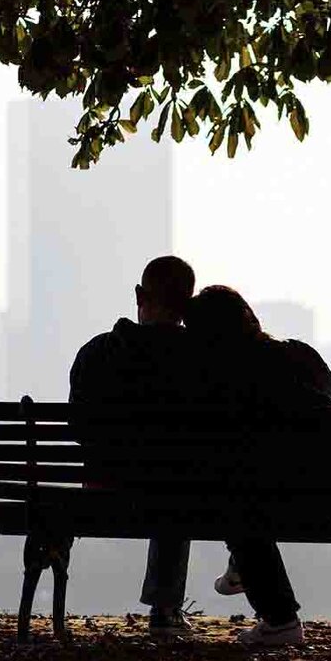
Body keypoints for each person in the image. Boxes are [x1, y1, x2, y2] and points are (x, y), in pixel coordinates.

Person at [183, 285, 331, 647]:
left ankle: (279, 617)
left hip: (265, 501)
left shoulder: (228, 379)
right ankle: (242, 565)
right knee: (244, 488)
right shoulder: (302, 355)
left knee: (233, 493)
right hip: (326, 494)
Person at [69, 255, 199, 636]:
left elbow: (78, 429)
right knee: (177, 480)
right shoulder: (200, 359)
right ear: (186, 306)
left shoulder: (96, 352)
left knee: (172, 480)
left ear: (140, 295)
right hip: (179, 498)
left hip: (103, 492)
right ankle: (164, 606)